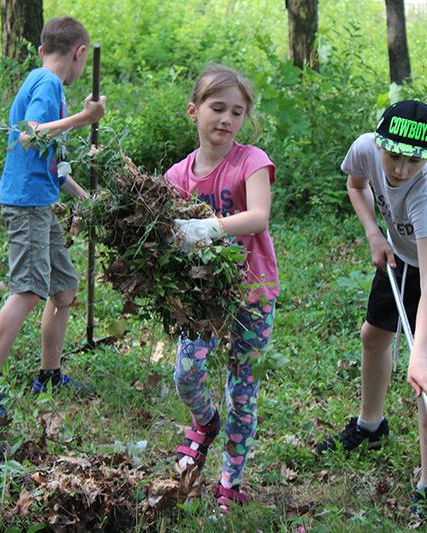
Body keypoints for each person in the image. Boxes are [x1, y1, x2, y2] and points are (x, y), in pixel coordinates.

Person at [314, 100, 427, 518]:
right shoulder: (366, 149)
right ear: (379, 143)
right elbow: (356, 186)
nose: (401, 169)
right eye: (394, 156)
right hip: (401, 255)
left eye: (413, 160)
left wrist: (419, 356)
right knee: (373, 335)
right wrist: (374, 233)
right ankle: (371, 427)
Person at [0, 16, 107, 422]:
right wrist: (84, 119)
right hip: (26, 204)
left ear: (42, 50)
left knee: (63, 288)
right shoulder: (48, 84)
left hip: (39, 201)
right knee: (27, 291)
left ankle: (50, 376)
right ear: (79, 54)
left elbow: (51, 159)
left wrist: (84, 197)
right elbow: (31, 134)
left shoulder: (41, 83)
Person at [165, 64, 278, 510]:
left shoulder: (251, 160)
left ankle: (230, 478)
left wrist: (204, 228)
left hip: (252, 291)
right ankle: (205, 423)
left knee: (242, 388)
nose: (227, 119)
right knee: (186, 375)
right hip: (203, 294)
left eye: (237, 111)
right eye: (217, 108)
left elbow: (258, 217)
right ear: (194, 111)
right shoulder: (178, 176)